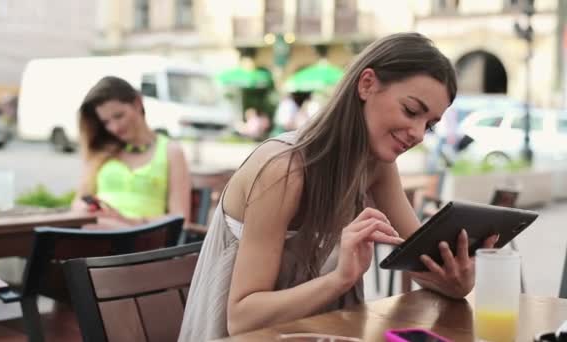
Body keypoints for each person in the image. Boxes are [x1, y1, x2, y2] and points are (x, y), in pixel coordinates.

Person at [178, 32, 499, 341]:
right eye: (411, 111)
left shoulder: (377, 166)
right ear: (367, 84)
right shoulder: (283, 171)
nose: (417, 133)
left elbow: (422, 263)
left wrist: (458, 278)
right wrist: (341, 278)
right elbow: (241, 319)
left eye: (429, 124)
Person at [71, 76, 191, 229]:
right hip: (96, 232)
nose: (114, 128)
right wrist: (85, 208)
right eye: (106, 122)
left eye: (119, 116)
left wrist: (129, 221)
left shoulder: (170, 151)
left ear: (138, 103)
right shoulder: (101, 150)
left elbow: (180, 218)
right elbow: (77, 202)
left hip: (141, 241)